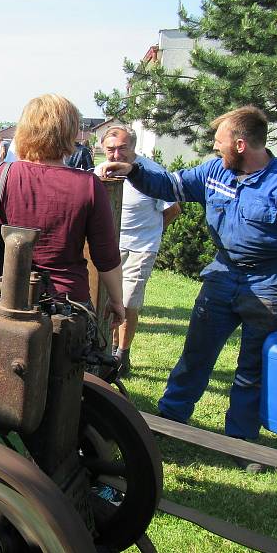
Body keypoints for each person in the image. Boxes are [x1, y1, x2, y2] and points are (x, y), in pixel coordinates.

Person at [100, 105, 277, 462]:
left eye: (219, 143)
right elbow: (170, 185)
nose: (214, 148)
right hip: (222, 276)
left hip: (269, 285)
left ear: (240, 144)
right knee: (196, 354)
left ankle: (241, 442)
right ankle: (171, 419)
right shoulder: (214, 170)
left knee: (251, 368)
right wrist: (132, 171)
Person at [0, 94, 124, 323]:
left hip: (2, 303)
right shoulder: (88, 186)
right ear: (70, 132)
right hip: (66, 307)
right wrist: (117, 301)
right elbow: (106, 257)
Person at [94, 126, 180, 376]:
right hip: (109, 248)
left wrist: (152, 234)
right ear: (102, 149)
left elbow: (173, 210)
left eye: (123, 148)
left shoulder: (152, 173)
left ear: (133, 147)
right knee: (104, 300)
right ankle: (105, 350)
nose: (117, 154)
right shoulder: (98, 173)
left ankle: (122, 355)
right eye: (111, 149)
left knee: (129, 301)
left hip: (140, 249)